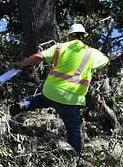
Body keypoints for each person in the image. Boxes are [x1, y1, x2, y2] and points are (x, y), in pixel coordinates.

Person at [9, 23, 109, 155]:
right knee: (73, 130)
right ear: (83, 37)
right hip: (71, 100)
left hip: (51, 91)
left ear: (69, 36)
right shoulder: (92, 53)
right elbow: (106, 60)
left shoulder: (59, 47)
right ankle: (74, 156)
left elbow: (39, 56)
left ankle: (25, 104)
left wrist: (21, 64)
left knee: (42, 99)